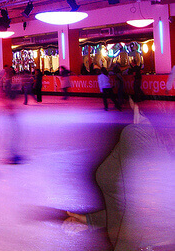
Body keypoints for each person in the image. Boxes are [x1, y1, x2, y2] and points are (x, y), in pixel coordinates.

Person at [63, 101, 174, 250]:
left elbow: (139, 212)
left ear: (134, 101)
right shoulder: (165, 135)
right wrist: (92, 220)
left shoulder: (138, 135)